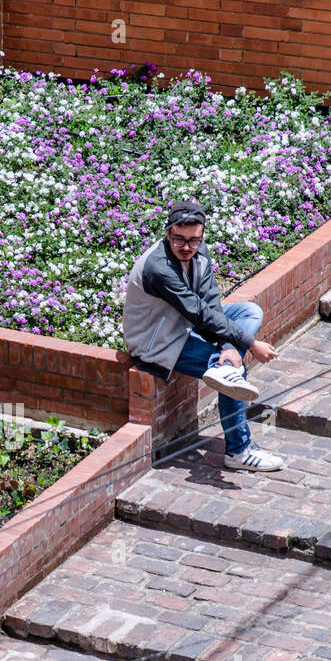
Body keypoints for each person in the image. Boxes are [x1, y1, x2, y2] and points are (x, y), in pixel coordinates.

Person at [121, 199, 285, 471]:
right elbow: (199, 312)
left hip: (186, 324)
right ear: (167, 233)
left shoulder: (199, 252)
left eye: (194, 240)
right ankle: (238, 451)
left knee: (250, 312)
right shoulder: (158, 267)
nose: (187, 247)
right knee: (236, 373)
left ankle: (225, 367)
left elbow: (209, 302)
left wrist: (227, 346)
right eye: (179, 239)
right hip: (159, 341)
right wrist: (250, 344)